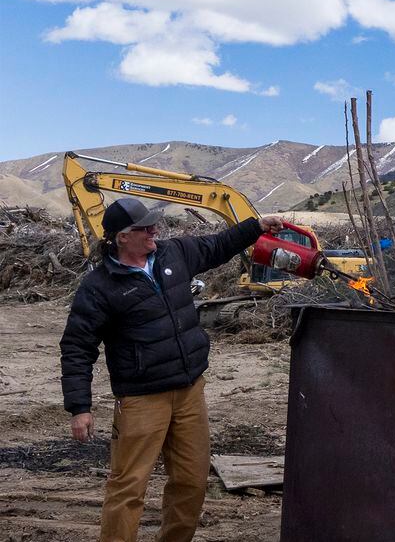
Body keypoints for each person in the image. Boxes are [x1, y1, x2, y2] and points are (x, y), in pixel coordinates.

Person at [60, 197, 282, 542]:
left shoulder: (173, 254)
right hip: (141, 400)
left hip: (190, 391)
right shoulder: (100, 286)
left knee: (191, 481)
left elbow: (216, 245)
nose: (153, 231)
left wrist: (256, 226)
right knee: (128, 487)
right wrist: (80, 407)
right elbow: (77, 346)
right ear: (121, 237)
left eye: (153, 224)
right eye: (144, 228)